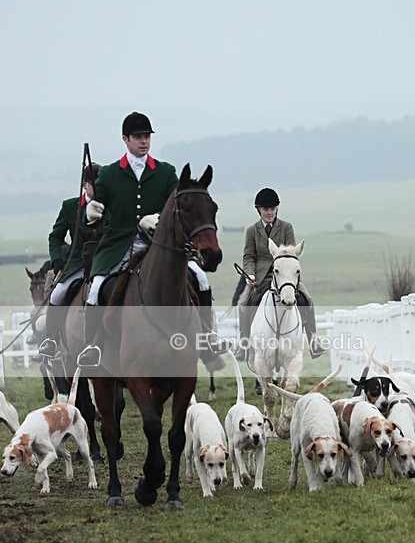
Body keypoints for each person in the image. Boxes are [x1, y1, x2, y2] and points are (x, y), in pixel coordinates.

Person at [77, 111, 226, 367]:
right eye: (137, 137)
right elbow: (96, 214)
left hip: (159, 244)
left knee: (200, 278)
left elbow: (175, 209)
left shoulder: (166, 172)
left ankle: (208, 337)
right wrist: (90, 211)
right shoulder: (110, 174)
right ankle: (93, 346)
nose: (143, 141)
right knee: (97, 287)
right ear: (125, 139)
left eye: (146, 136)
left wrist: (155, 218)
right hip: (118, 246)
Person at [235, 187, 325, 360]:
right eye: (265, 209)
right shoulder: (252, 231)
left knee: (307, 299)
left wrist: (290, 274)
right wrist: (251, 275)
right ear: (259, 210)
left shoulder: (286, 227)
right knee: (244, 302)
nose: (269, 213)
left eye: (272, 209)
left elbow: (292, 253)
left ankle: (313, 341)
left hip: (286, 276)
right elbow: (248, 256)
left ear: (277, 209)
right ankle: (244, 344)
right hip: (261, 278)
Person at [38, 162, 102, 359]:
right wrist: (57, 260)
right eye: (94, 184)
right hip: (78, 263)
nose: (99, 188)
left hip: (105, 261)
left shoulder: (110, 205)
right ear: (85, 185)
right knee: (58, 293)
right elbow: (55, 237)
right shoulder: (70, 207)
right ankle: (51, 340)